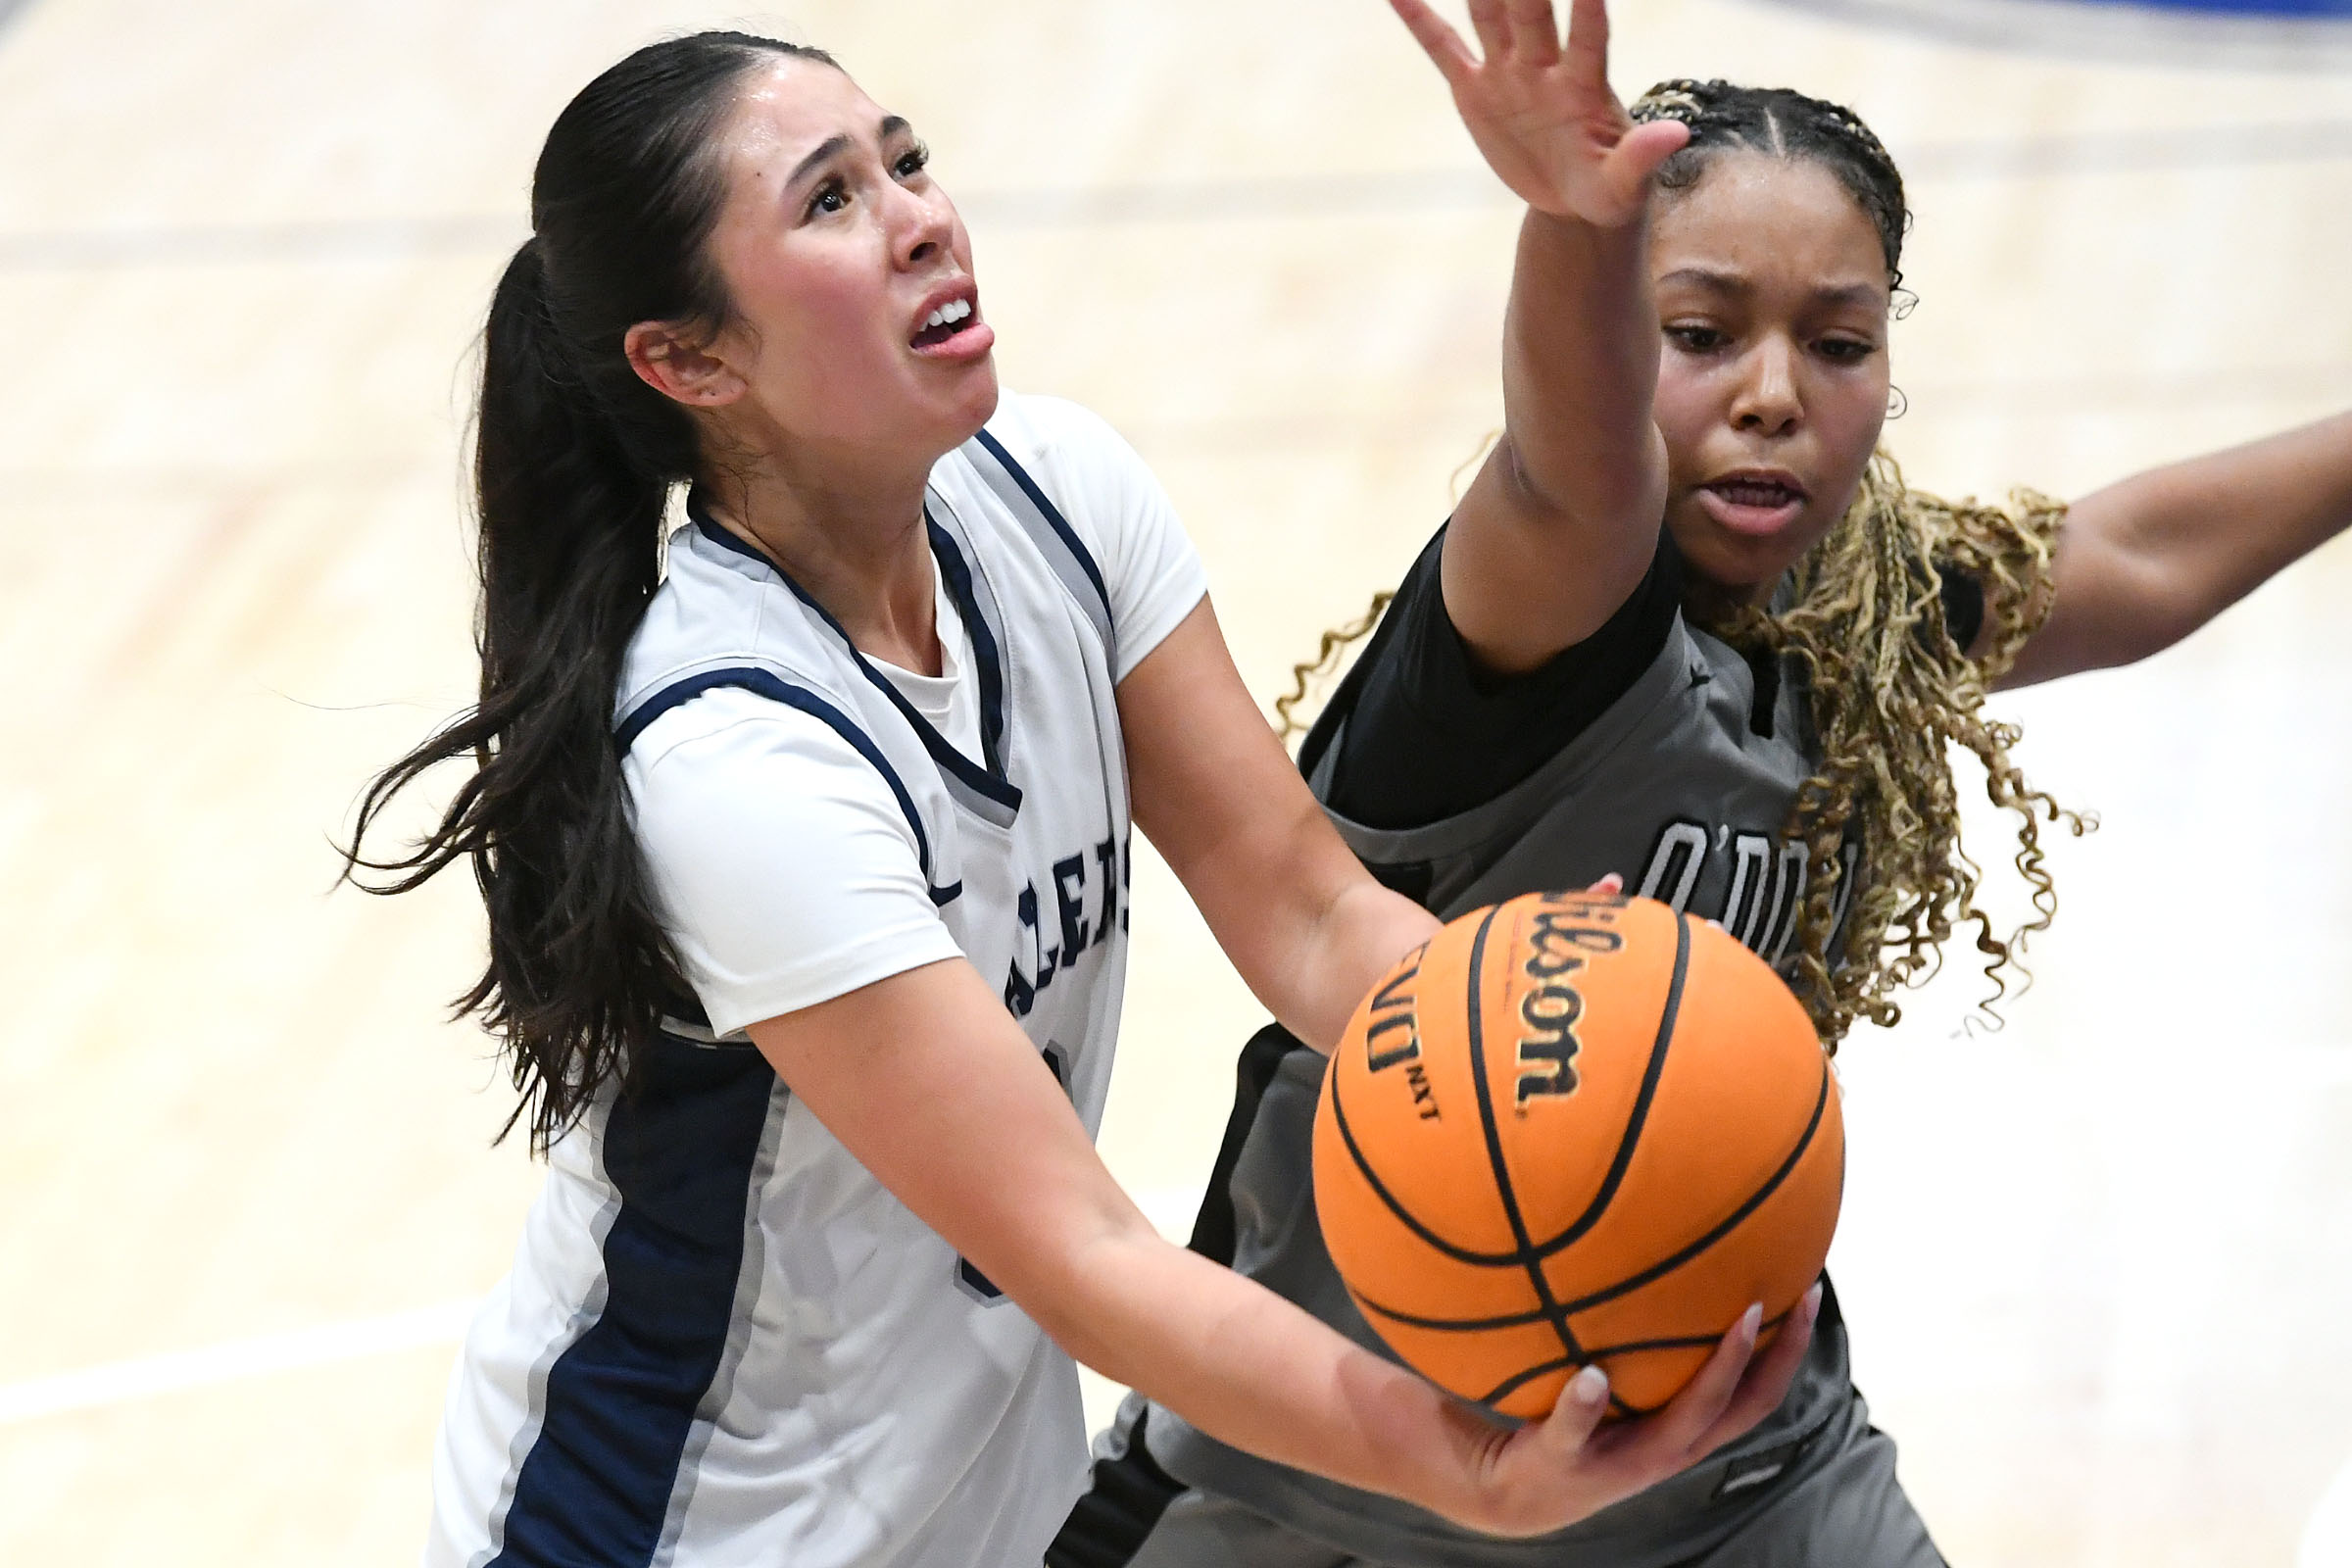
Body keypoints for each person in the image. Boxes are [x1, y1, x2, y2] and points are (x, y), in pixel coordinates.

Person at [342, 30, 1820, 1568]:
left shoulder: (1060, 498)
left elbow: (1310, 915)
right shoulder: (735, 761)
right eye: (831, 200)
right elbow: (1085, 1253)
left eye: (906, 159)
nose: (921, 215)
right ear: (691, 361)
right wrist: (1462, 1466)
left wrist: (1507, 1010)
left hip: (971, 1515)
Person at [1053, 2, 2352, 1565]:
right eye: (1700, 330)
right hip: (1347, 1488)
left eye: (1840, 341)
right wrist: (1574, 228)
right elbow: (1569, 467)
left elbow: (2129, 555)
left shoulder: (1862, 613)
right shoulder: (1541, 612)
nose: (1774, 392)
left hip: (1747, 1478)